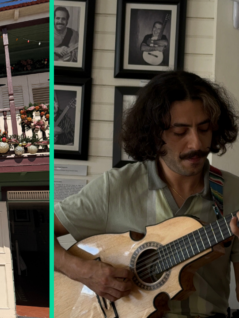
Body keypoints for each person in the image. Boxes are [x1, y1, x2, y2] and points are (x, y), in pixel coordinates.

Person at [54, 71, 239, 318]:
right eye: (180, 132)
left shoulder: (233, 192)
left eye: (204, 128)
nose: (196, 143)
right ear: (155, 133)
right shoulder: (116, 187)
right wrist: (82, 270)